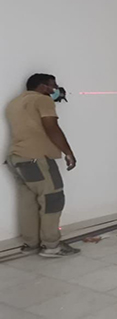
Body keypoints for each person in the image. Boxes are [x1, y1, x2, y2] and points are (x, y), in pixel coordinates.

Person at [5, 74, 80, 257]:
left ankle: (31, 244)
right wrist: (68, 152)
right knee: (52, 199)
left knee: (28, 203)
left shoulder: (14, 103)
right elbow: (51, 127)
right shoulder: (43, 100)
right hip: (37, 159)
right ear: (43, 86)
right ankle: (51, 246)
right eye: (53, 86)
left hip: (17, 159)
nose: (55, 89)